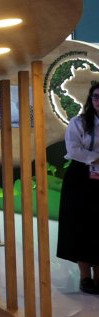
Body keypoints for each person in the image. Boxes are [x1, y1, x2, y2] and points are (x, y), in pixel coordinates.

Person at [58, 78, 99, 294]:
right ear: (90, 100)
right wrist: (96, 159)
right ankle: (85, 277)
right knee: (82, 226)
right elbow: (74, 150)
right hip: (81, 180)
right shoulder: (79, 122)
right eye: (96, 97)